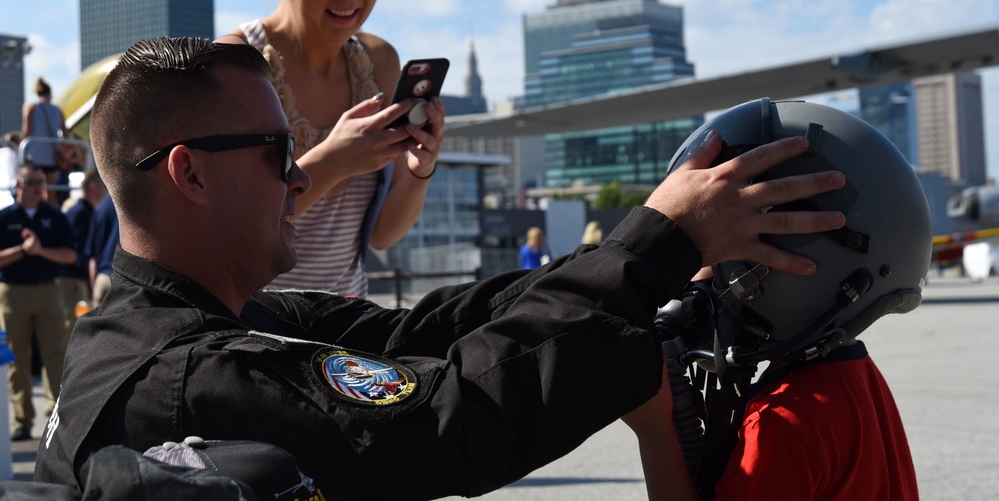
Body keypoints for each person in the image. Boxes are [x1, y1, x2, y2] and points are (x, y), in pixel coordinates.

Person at [35, 37, 846, 498]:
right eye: (278, 150)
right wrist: (654, 248)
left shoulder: (171, 323)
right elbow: (451, 420)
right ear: (191, 174)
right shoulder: (187, 376)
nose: (298, 175)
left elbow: (418, 331)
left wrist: (654, 247)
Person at [622, 99, 928, 501]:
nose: (694, 278)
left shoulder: (787, 421)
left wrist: (656, 430)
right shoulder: (853, 378)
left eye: (710, 255)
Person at [218, 0, 443, 298]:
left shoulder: (378, 62)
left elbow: (382, 236)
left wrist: (420, 170)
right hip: (253, 332)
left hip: (345, 330)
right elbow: (236, 232)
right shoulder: (237, 63)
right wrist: (334, 161)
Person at [0, 163, 76, 441]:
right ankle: (22, 420)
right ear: (18, 184)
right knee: (16, 358)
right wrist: (23, 250)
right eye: (32, 182)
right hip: (13, 292)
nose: (37, 188)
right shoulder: (5, 216)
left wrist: (41, 251)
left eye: (41, 182)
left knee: (55, 354)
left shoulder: (54, 217)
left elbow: (70, 255)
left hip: (48, 290)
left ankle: (57, 414)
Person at [58, 170, 107, 330]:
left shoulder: (87, 212)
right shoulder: (81, 213)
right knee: (70, 330)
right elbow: (72, 250)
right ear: (93, 186)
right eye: (103, 184)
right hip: (70, 281)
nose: (107, 190)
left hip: (75, 281)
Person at [20, 77, 69, 205]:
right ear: (50, 93)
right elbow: (65, 134)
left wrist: (19, 147)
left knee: (31, 189)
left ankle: (35, 213)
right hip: (51, 157)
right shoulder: (57, 110)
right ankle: (51, 217)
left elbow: (27, 131)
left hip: (34, 156)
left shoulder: (31, 107)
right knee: (50, 190)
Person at [83, 193, 118, 307]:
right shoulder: (135, 203)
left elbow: (93, 257)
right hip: (128, 281)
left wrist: (94, 287)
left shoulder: (102, 206)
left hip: (103, 279)